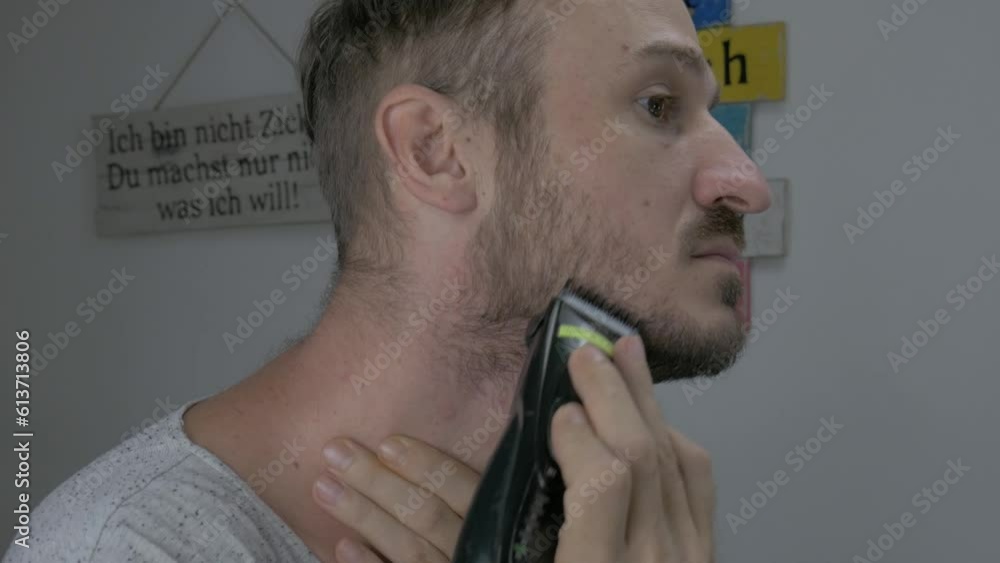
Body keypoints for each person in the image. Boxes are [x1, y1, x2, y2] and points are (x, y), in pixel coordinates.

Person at [2, 0, 769, 560]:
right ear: (436, 150)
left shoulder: (598, 533)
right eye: (658, 105)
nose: (746, 181)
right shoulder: (124, 548)